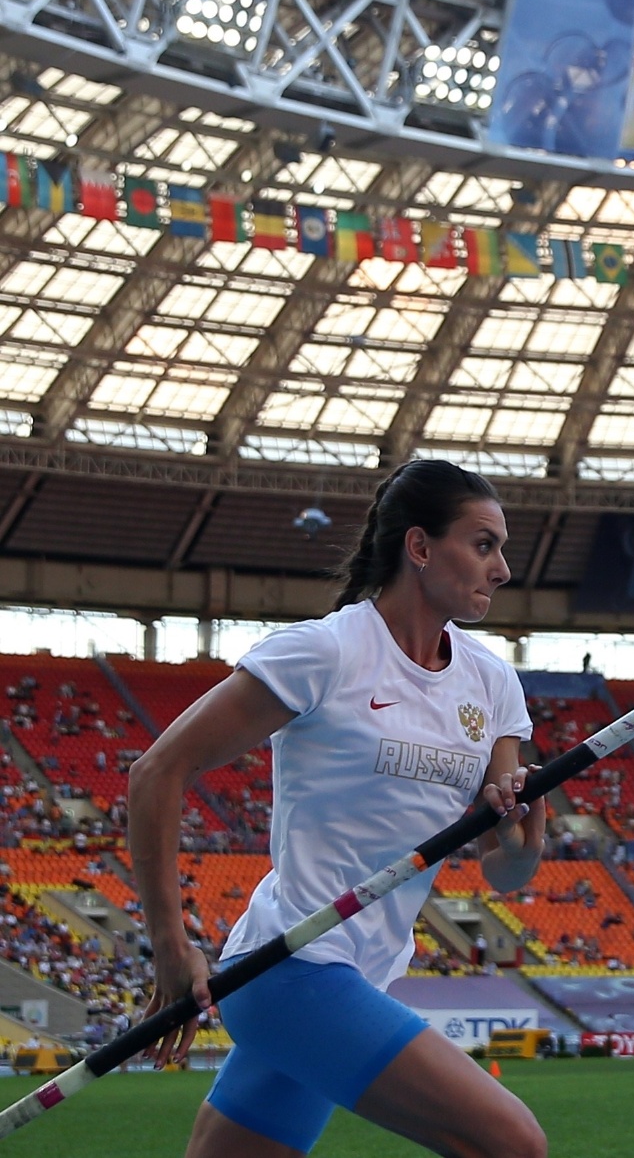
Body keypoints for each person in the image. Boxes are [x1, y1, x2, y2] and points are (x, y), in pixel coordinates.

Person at [127, 460, 547, 1158]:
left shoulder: (493, 681)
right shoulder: (325, 651)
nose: (502, 568)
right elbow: (156, 772)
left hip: (362, 974)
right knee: (512, 1143)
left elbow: (503, 870)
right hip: (289, 965)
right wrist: (172, 946)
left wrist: (525, 841)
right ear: (419, 546)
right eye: (483, 544)